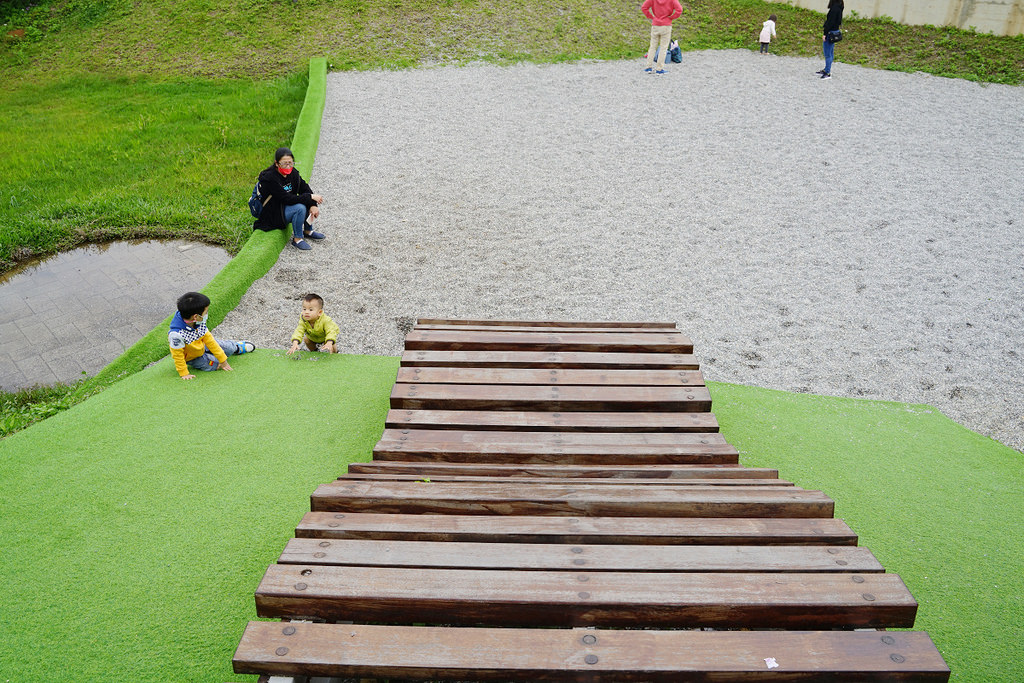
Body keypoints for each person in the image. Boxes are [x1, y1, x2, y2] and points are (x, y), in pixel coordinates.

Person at [169, 292, 255, 380]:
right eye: (205, 312)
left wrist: (223, 360)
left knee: (228, 349)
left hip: (203, 344)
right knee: (214, 365)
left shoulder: (199, 321)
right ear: (195, 316)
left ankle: (236, 347)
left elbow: (211, 342)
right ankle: (212, 358)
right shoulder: (176, 335)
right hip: (192, 357)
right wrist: (184, 373)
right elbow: (177, 355)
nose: (206, 314)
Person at [252, 147, 325, 251]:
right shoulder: (270, 178)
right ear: (276, 164)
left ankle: (308, 231)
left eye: (290, 163)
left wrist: (313, 204)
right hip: (273, 212)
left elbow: (305, 188)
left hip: (285, 206)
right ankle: (297, 239)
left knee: (305, 200)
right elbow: (286, 198)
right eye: (284, 163)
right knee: (300, 207)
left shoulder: (293, 173)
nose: (288, 166)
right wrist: (310, 197)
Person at [642, 0, 683, 75]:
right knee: (663, 48)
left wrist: (651, 17)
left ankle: (648, 67)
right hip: (666, 25)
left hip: (655, 24)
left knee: (652, 47)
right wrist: (671, 18)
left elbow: (644, 7)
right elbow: (679, 9)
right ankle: (659, 69)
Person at [819, 0, 844, 79]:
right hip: (835, 31)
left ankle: (827, 72)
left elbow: (829, 22)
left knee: (827, 54)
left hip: (830, 33)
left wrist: (825, 34)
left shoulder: (834, 9)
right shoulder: (840, 7)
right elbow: (839, 21)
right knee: (831, 52)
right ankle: (826, 69)